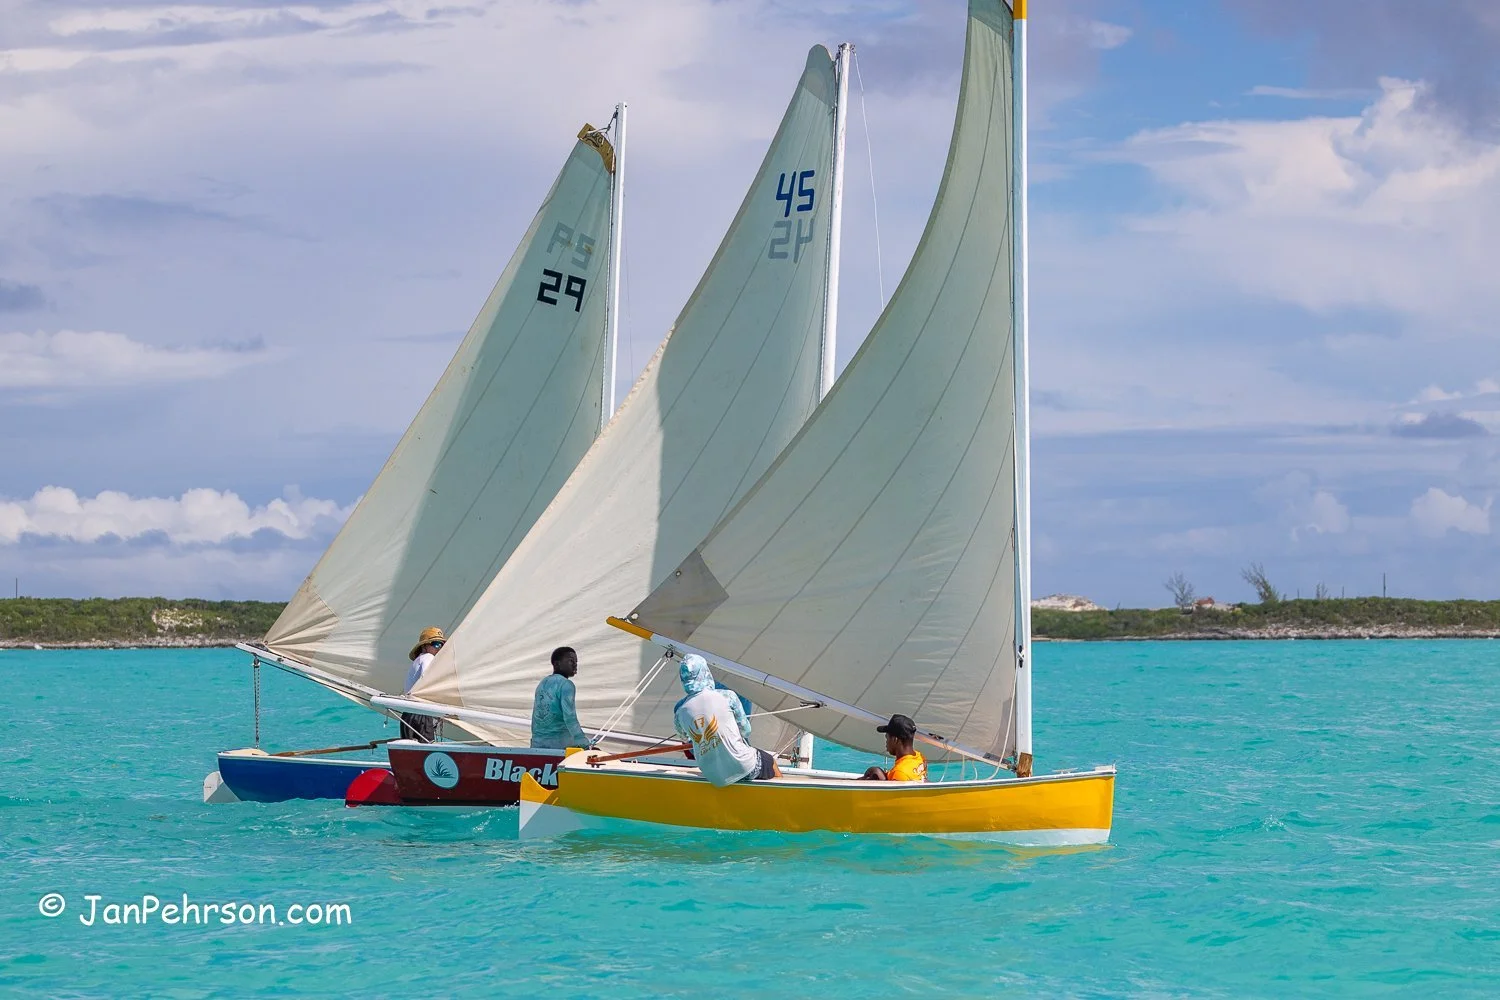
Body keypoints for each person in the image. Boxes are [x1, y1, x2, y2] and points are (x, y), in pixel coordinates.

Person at [673, 654, 780, 786]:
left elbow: (686, 742)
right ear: (704, 671)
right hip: (743, 766)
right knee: (770, 761)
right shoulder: (727, 696)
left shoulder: (678, 710)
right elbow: (746, 731)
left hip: (711, 774)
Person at [531, 646, 590, 750]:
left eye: (576, 661)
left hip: (537, 745)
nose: (575, 665)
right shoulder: (566, 684)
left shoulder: (542, 683)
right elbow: (570, 718)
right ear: (557, 664)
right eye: (571, 661)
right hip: (559, 747)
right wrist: (584, 743)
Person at [400, 626, 444, 742]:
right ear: (424, 646)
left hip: (408, 714)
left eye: (441, 645)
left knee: (411, 755)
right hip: (421, 714)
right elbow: (428, 681)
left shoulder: (418, 660)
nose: (439, 648)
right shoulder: (428, 658)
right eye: (435, 644)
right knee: (426, 753)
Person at [859, 713, 927, 781]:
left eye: (887, 737)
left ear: (895, 739)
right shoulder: (920, 758)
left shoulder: (900, 773)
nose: (886, 742)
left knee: (874, 771)